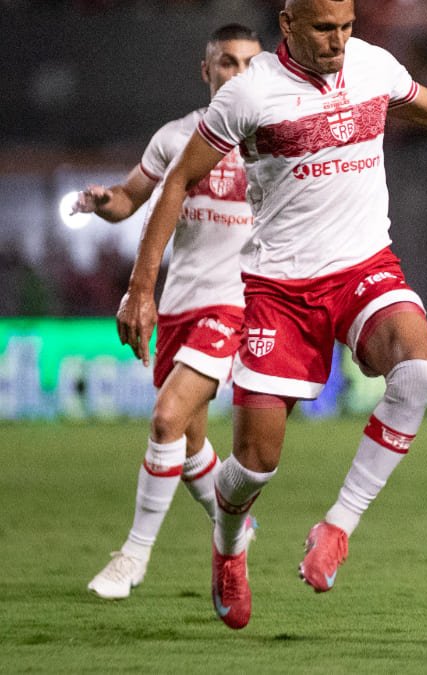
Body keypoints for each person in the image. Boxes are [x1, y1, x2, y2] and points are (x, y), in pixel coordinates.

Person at [116, 0, 427, 630]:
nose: (338, 40)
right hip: (280, 289)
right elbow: (178, 181)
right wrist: (141, 287)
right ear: (289, 24)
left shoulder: (373, 66)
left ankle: (337, 526)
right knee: (253, 465)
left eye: (347, 26)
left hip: (363, 269)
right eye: (325, 28)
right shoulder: (249, 96)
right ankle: (227, 543)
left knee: (418, 373)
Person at [78, 24, 263, 601]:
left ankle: (132, 556)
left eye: (249, 65)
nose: (238, 74)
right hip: (178, 305)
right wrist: (103, 201)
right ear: (205, 71)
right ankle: (237, 526)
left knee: (164, 419)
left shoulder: (274, 139)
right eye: (227, 63)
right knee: (185, 448)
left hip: (234, 306)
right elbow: (132, 197)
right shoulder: (177, 138)